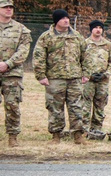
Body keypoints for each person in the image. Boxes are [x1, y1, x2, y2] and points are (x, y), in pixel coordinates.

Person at [33, 9, 89, 144]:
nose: (66, 20)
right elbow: (39, 57)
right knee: (55, 107)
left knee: (76, 107)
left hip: (74, 78)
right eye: (62, 18)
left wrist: (86, 73)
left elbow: (85, 56)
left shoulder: (76, 36)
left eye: (67, 18)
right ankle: (56, 135)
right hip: (55, 78)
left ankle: (78, 135)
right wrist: (41, 76)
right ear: (56, 21)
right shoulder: (46, 37)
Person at [0, 0, 33, 147]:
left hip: (12, 73)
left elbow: (24, 50)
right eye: (5, 7)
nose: (9, 9)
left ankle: (13, 137)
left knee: (12, 105)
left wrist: (8, 64)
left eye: (11, 7)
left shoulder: (21, 29)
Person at [81, 20, 111, 137]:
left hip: (102, 81)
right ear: (91, 29)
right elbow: (79, 61)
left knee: (100, 105)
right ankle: (84, 129)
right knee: (85, 105)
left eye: (100, 28)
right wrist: (86, 75)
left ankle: (96, 130)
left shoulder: (108, 45)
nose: (98, 30)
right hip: (87, 80)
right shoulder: (84, 44)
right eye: (95, 27)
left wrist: (106, 74)